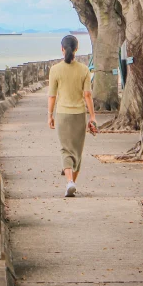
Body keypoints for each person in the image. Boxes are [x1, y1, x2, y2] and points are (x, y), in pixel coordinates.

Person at [48, 35, 97, 197]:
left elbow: (52, 96)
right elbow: (88, 95)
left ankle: (69, 182)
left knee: (65, 150)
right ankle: (72, 182)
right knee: (77, 151)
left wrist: (50, 115)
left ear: (62, 49)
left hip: (62, 115)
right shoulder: (84, 70)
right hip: (79, 115)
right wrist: (92, 117)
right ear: (76, 49)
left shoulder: (55, 70)